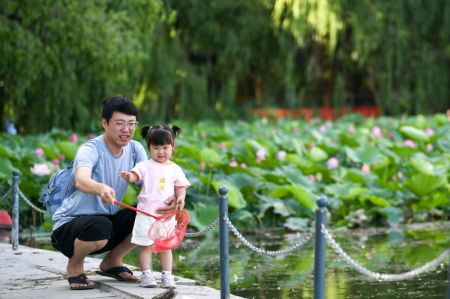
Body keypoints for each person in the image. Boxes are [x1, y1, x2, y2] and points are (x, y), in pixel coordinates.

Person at [51, 96, 148, 290]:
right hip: (69, 228)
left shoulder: (136, 149)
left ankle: (112, 260)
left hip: (106, 225)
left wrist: (171, 197)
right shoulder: (90, 149)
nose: (127, 130)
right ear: (105, 123)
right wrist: (100, 188)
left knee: (148, 211)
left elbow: (149, 183)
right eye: (120, 123)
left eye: (131, 124)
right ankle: (75, 266)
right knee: (100, 224)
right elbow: (81, 180)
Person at [119, 124, 190, 289]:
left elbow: (181, 187)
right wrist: (129, 176)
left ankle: (167, 275)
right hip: (145, 213)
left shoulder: (175, 169)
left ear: (173, 147)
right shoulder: (145, 165)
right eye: (156, 148)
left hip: (166, 216)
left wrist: (180, 198)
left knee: (166, 247)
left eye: (165, 147)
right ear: (149, 147)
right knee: (145, 246)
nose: (161, 152)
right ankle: (147, 275)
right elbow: (135, 175)